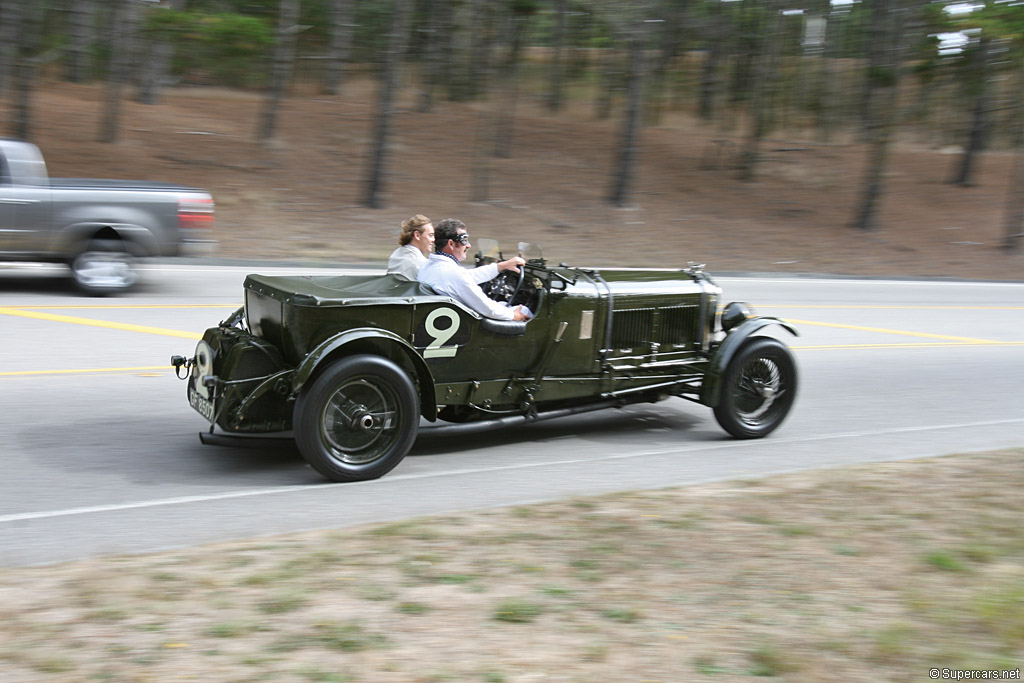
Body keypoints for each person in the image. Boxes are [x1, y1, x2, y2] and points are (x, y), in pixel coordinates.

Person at [418, 218, 530, 322]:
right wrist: (514, 315)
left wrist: (500, 266)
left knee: (501, 304)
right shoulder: (452, 274)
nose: (469, 245)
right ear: (451, 244)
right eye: (464, 240)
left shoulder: (429, 266)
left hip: (449, 318)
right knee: (524, 310)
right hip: (468, 324)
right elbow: (487, 308)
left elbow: (467, 276)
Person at [387, 214, 434, 280]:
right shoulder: (423, 265)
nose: (433, 240)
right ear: (417, 235)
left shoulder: (395, 256)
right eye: (430, 235)